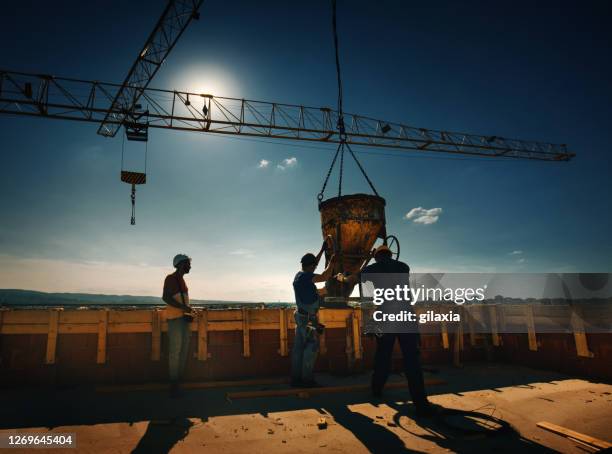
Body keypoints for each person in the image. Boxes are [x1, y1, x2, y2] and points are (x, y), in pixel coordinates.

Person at [336, 245, 435, 417]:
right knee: (412, 359)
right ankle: (421, 403)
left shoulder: (373, 268)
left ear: (376, 257)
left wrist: (342, 278)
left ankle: (377, 390)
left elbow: (352, 280)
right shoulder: (404, 267)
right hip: (406, 314)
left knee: (383, 354)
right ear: (390, 254)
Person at [291, 237, 335, 387]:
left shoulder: (299, 275)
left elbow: (313, 265)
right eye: (313, 266)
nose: (315, 267)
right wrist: (332, 262)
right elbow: (324, 276)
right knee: (311, 348)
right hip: (308, 320)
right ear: (309, 267)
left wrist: (322, 250)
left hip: (300, 316)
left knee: (298, 348)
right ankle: (307, 380)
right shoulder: (307, 277)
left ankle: (296, 379)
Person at [162, 253, 196, 397]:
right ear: (181, 264)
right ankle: (174, 383)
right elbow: (165, 297)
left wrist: (187, 309)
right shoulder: (171, 278)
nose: (190, 266)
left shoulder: (182, 281)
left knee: (183, 351)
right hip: (175, 319)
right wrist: (184, 308)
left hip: (183, 319)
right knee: (175, 351)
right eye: (188, 264)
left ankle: (178, 381)